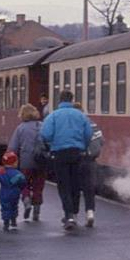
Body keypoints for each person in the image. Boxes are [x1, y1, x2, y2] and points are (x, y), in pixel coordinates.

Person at [40, 90, 92, 231]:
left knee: (64, 186)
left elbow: (46, 134)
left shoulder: (53, 116)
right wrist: (83, 146)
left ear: (60, 100)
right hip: (77, 153)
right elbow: (88, 134)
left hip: (60, 154)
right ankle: (74, 213)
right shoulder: (81, 116)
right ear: (72, 99)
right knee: (75, 185)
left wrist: (52, 143)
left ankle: (68, 215)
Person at [7, 103, 47, 222]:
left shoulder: (20, 128)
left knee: (23, 183)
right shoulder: (43, 126)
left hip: (25, 162)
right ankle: (37, 211)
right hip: (41, 161)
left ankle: (26, 200)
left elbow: (13, 148)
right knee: (38, 186)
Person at [73, 102, 103, 228]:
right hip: (91, 161)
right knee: (89, 189)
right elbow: (101, 141)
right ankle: (90, 213)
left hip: (76, 159)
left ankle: (73, 215)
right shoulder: (92, 123)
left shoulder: (73, 124)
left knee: (74, 188)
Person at [0, 151, 25, 231]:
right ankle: (13, 220)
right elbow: (23, 181)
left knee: (5, 207)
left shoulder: (1, 171)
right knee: (14, 206)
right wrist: (19, 187)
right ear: (15, 163)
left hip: (4, 192)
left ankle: (6, 222)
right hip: (15, 192)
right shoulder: (17, 173)